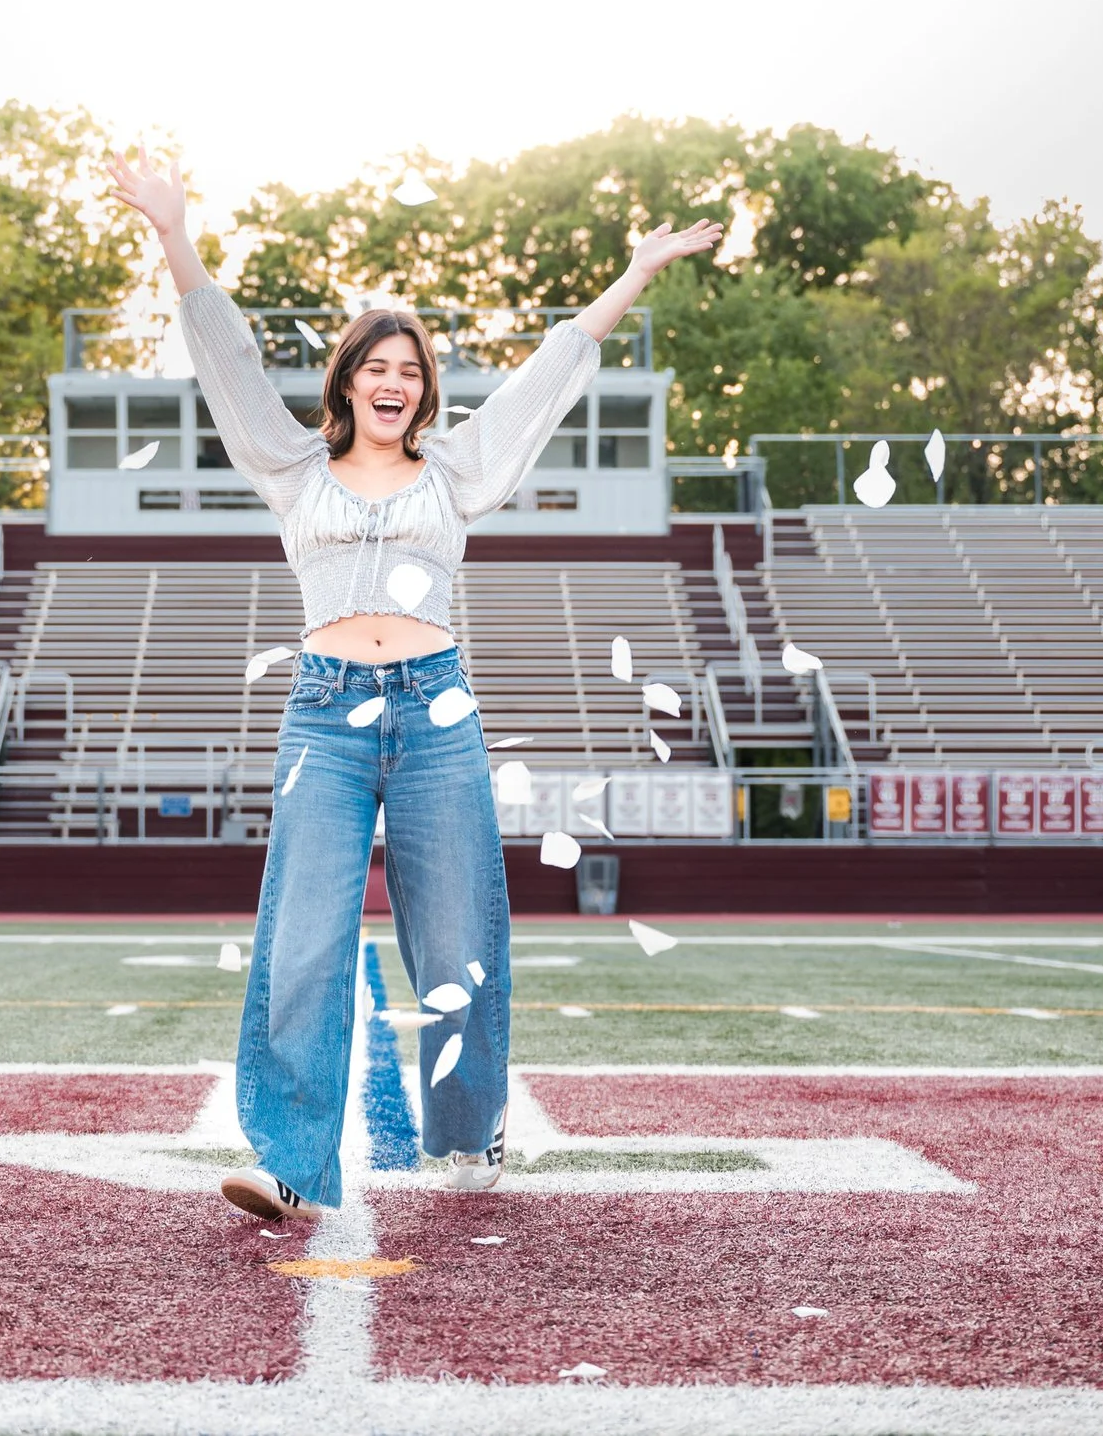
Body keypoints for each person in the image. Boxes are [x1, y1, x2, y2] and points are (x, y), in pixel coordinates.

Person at [107, 150, 720, 1222]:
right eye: (375, 366)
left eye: (411, 371)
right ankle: (291, 1159)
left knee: (459, 934)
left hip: (434, 708)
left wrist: (633, 274)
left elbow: (548, 374)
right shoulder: (291, 467)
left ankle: (468, 1131)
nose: (393, 382)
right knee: (301, 937)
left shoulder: (457, 473)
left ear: (423, 391)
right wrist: (173, 234)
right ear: (345, 380)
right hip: (325, 714)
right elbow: (228, 359)